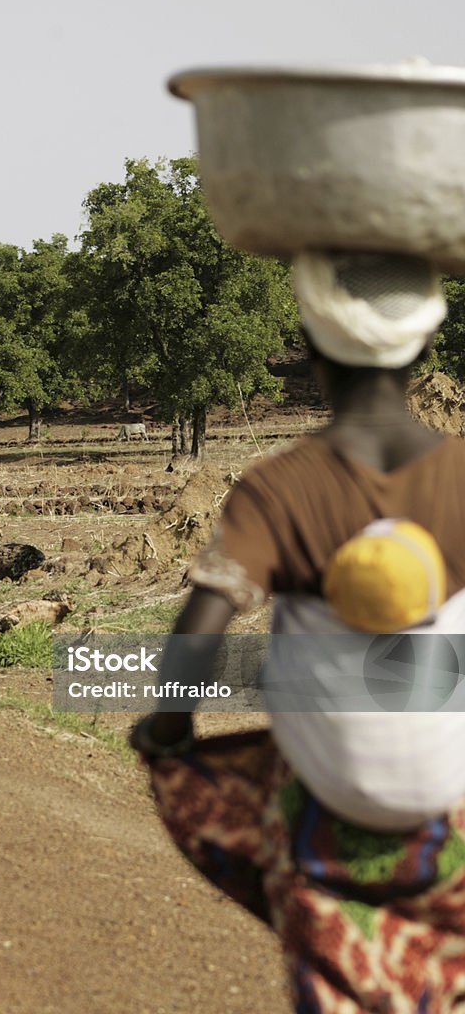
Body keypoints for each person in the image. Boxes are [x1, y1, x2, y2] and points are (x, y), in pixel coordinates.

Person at [129, 251, 465, 1013]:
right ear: (424, 349)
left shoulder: (282, 485)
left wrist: (168, 725)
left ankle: (343, 964)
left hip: (327, 816)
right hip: (451, 815)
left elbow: (204, 621)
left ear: (312, 349)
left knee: (255, 781)